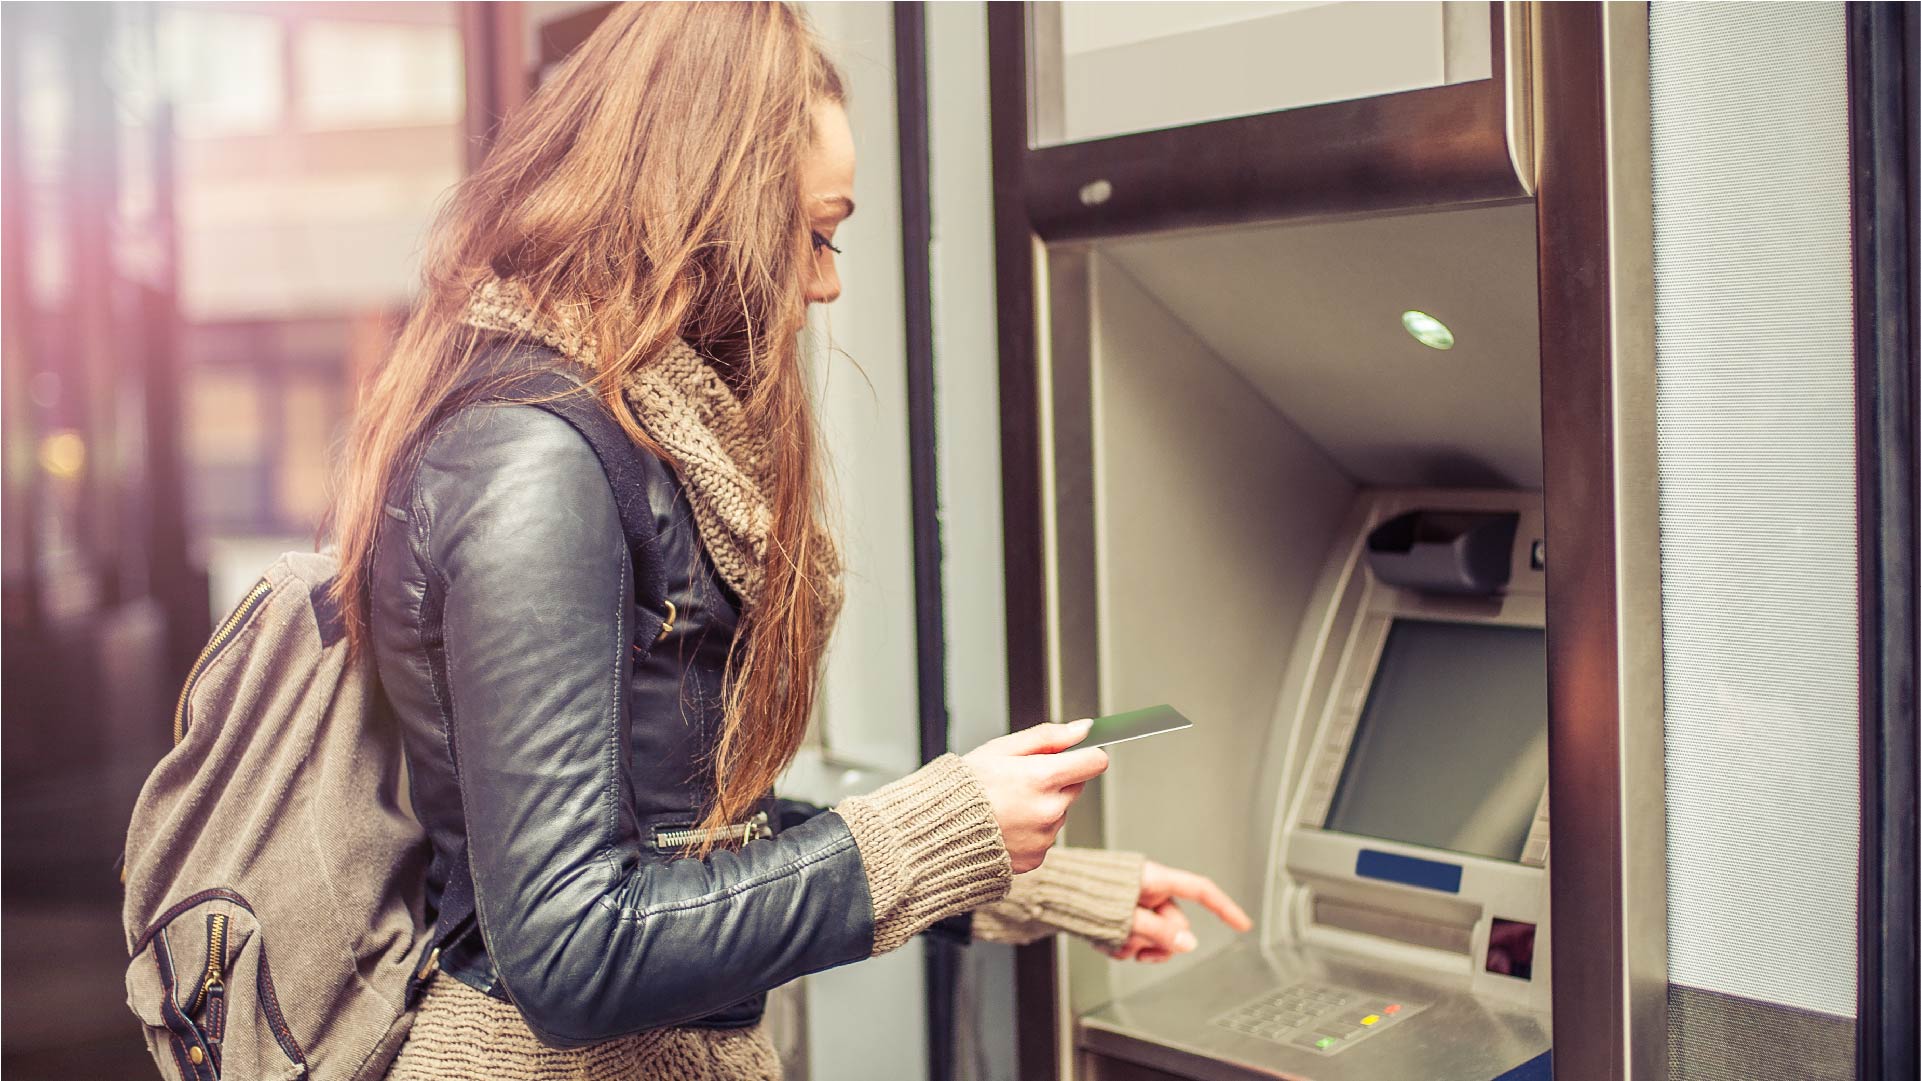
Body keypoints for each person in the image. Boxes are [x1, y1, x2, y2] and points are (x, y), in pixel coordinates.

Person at [323, 4, 1252, 1078]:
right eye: (816, 232)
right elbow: (571, 948)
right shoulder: (537, 462)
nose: (826, 282)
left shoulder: (615, 441)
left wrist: (1020, 873)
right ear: (703, 209)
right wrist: (939, 824)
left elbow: (679, 838)